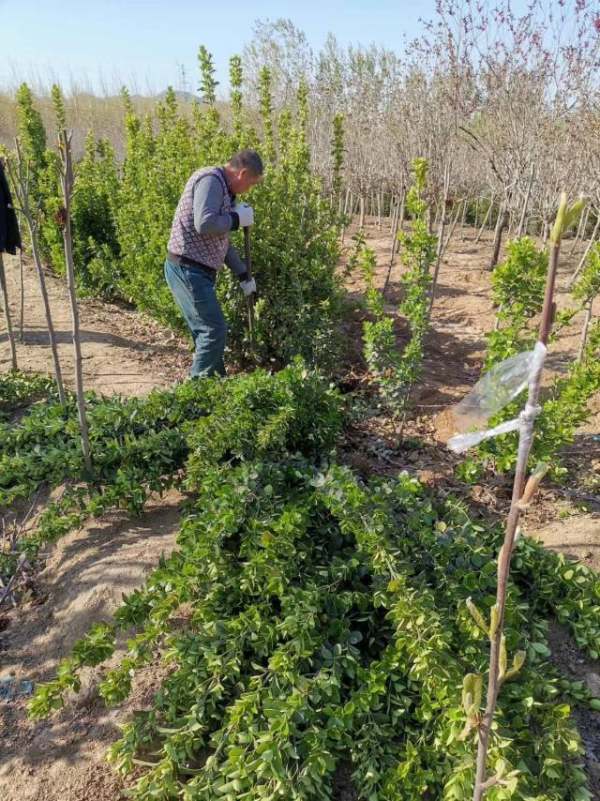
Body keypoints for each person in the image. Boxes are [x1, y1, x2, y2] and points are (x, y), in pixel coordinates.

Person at [165, 149, 263, 378]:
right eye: (251, 183)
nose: (249, 189)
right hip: (187, 268)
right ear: (243, 173)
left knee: (208, 332)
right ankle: (197, 392)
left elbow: (221, 241)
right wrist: (236, 220)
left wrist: (242, 274)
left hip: (197, 271)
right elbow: (205, 224)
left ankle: (215, 384)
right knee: (213, 329)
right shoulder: (211, 181)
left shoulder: (225, 192)